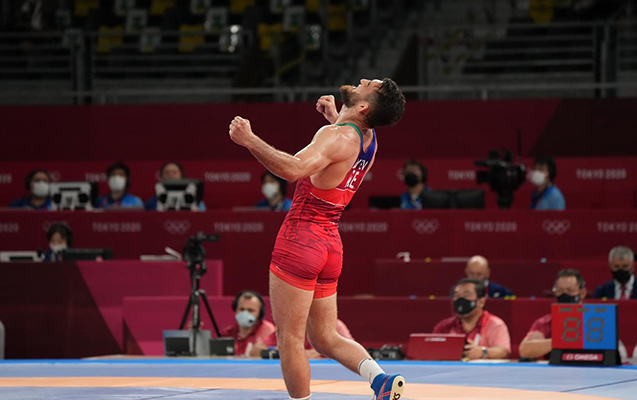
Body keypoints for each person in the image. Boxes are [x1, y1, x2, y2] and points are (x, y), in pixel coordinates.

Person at [228, 78, 406, 400]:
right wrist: (337, 116)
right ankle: (380, 380)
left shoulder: (335, 136)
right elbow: (343, 148)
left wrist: (250, 140)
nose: (362, 80)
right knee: (324, 337)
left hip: (300, 239)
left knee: (290, 339)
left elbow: (294, 169)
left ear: (362, 106)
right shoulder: (370, 141)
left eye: (368, 84)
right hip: (330, 244)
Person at [433, 278, 511, 360]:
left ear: (481, 302)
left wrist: (483, 352)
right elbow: (432, 349)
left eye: (466, 295)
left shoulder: (495, 324)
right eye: (456, 296)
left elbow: (504, 351)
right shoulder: (444, 326)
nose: (460, 300)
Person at [519, 269, 586, 359]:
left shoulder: (594, 320)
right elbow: (524, 350)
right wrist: (558, 342)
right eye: (560, 291)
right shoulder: (545, 322)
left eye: (570, 291)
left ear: (582, 293)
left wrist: (545, 343)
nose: (564, 295)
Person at [220, 290, 276, 357]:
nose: (245, 313)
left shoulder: (269, 331)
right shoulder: (227, 334)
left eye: (250, 310)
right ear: (235, 309)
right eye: (242, 309)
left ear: (260, 313)